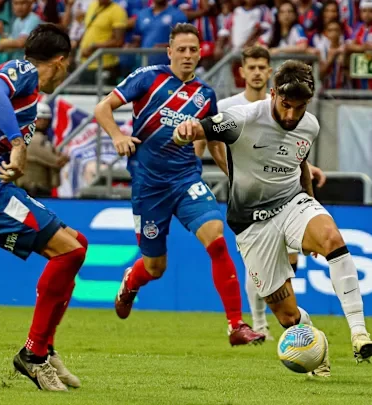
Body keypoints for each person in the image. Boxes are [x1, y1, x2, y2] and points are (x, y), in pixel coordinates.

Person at [173, 60, 372, 369]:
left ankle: (359, 334)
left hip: (291, 203)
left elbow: (301, 166)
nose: (292, 115)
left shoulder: (310, 125)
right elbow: (198, 130)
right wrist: (182, 131)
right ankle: (317, 351)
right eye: (286, 105)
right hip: (251, 225)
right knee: (287, 316)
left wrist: (312, 211)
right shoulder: (242, 119)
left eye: (300, 107)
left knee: (331, 236)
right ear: (272, 94)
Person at [94, 23, 266, 346]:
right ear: (169, 51)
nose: (188, 55)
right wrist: (117, 136)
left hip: (186, 179)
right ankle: (131, 281)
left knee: (216, 237)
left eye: (193, 50)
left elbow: (213, 141)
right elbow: (103, 107)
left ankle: (235, 325)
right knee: (155, 267)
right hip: (149, 186)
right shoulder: (148, 78)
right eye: (181, 49)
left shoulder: (205, 95)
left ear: (200, 53)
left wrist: (235, 175)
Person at [0, 24, 83, 392]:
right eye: (68, 63)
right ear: (60, 60)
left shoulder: (24, 90)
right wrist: (17, 144)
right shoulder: (21, 73)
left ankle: (45, 347)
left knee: (78, 244)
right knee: (68, 253)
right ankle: (33, 354)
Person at [194, 46, 326, 341]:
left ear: (269, 73)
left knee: (287, 266)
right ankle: (259, 324)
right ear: (242, 72)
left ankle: (282, 322)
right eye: (250, 67)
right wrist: (231, 173)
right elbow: (213, 141)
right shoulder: (231, 107)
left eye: (261, 67)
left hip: (285, 196)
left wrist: (307, 170)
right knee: (259, 265)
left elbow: (287, 149)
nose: (255, 72)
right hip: (250, 198)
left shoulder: (287, 108)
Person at [16, 103, 69, 197]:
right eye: (39, 119)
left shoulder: (42, 138)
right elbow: (56, 161)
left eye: (46, 119)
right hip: (33, 190)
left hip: (39, 189)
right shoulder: (33, 139)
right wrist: (63, 158)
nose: (43, 122)